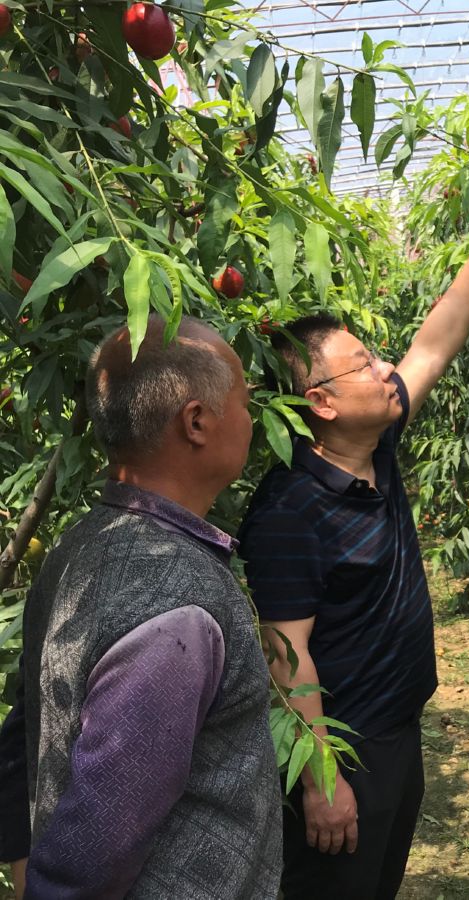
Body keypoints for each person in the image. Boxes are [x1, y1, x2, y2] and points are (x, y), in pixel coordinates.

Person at [237, 189, 469, 899]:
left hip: (397, 732)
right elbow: (286, 654)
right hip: (344, 749)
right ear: (321, 402)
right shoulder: (290, 510)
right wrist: (322, 779)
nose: (385, 369)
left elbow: (432, 347)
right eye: (362, 365)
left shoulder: (374, 450)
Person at [0, 315, 282, 898]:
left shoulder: (78, 545)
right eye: (244, 402)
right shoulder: (178, 605)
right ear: (197, 421)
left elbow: (29, 721)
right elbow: (95, 846)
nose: (253, 419)